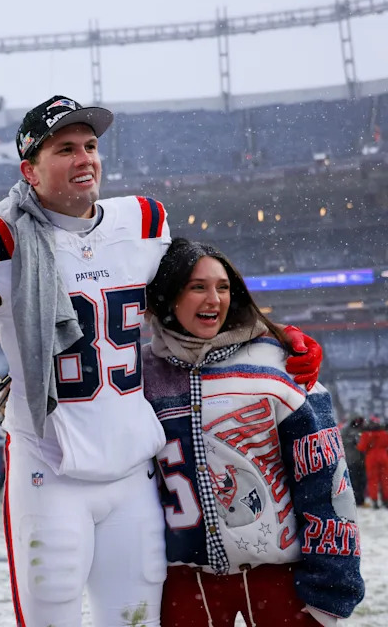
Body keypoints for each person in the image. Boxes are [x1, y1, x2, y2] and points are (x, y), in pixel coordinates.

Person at [0, 95, 324, 626]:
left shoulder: (143, 223)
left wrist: (275, 338)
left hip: (131, 471)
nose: (84, 159)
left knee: (135, 619)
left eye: (91, 146)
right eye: (65, 148)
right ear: (29, 168)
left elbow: (195, 305)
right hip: (49, 468)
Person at [142, 238, 364, 626]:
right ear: (167, 295)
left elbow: (324, 477)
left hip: (280, 578)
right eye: (198, 287)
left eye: (223, 287)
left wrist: (331, 587)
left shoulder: (278, 364)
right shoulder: (138, 374)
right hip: (184, 583)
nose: (214, 299)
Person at [358, 417, 388, 508]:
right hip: (383, 457)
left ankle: (375, 501)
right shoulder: (384, 434)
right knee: (385, 480)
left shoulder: (366, 434)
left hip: (371, 458)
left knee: (372, 480)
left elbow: (361, 447)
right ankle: (386, 500)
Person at [342, 416, 368, 506]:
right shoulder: (346, 431)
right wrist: (352, 440)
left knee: (362, 481)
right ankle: (355, 500)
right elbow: (343, 440)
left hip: (361, 460)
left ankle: (360, 499)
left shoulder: (362, 430)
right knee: (354, 481)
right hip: (352, 459)